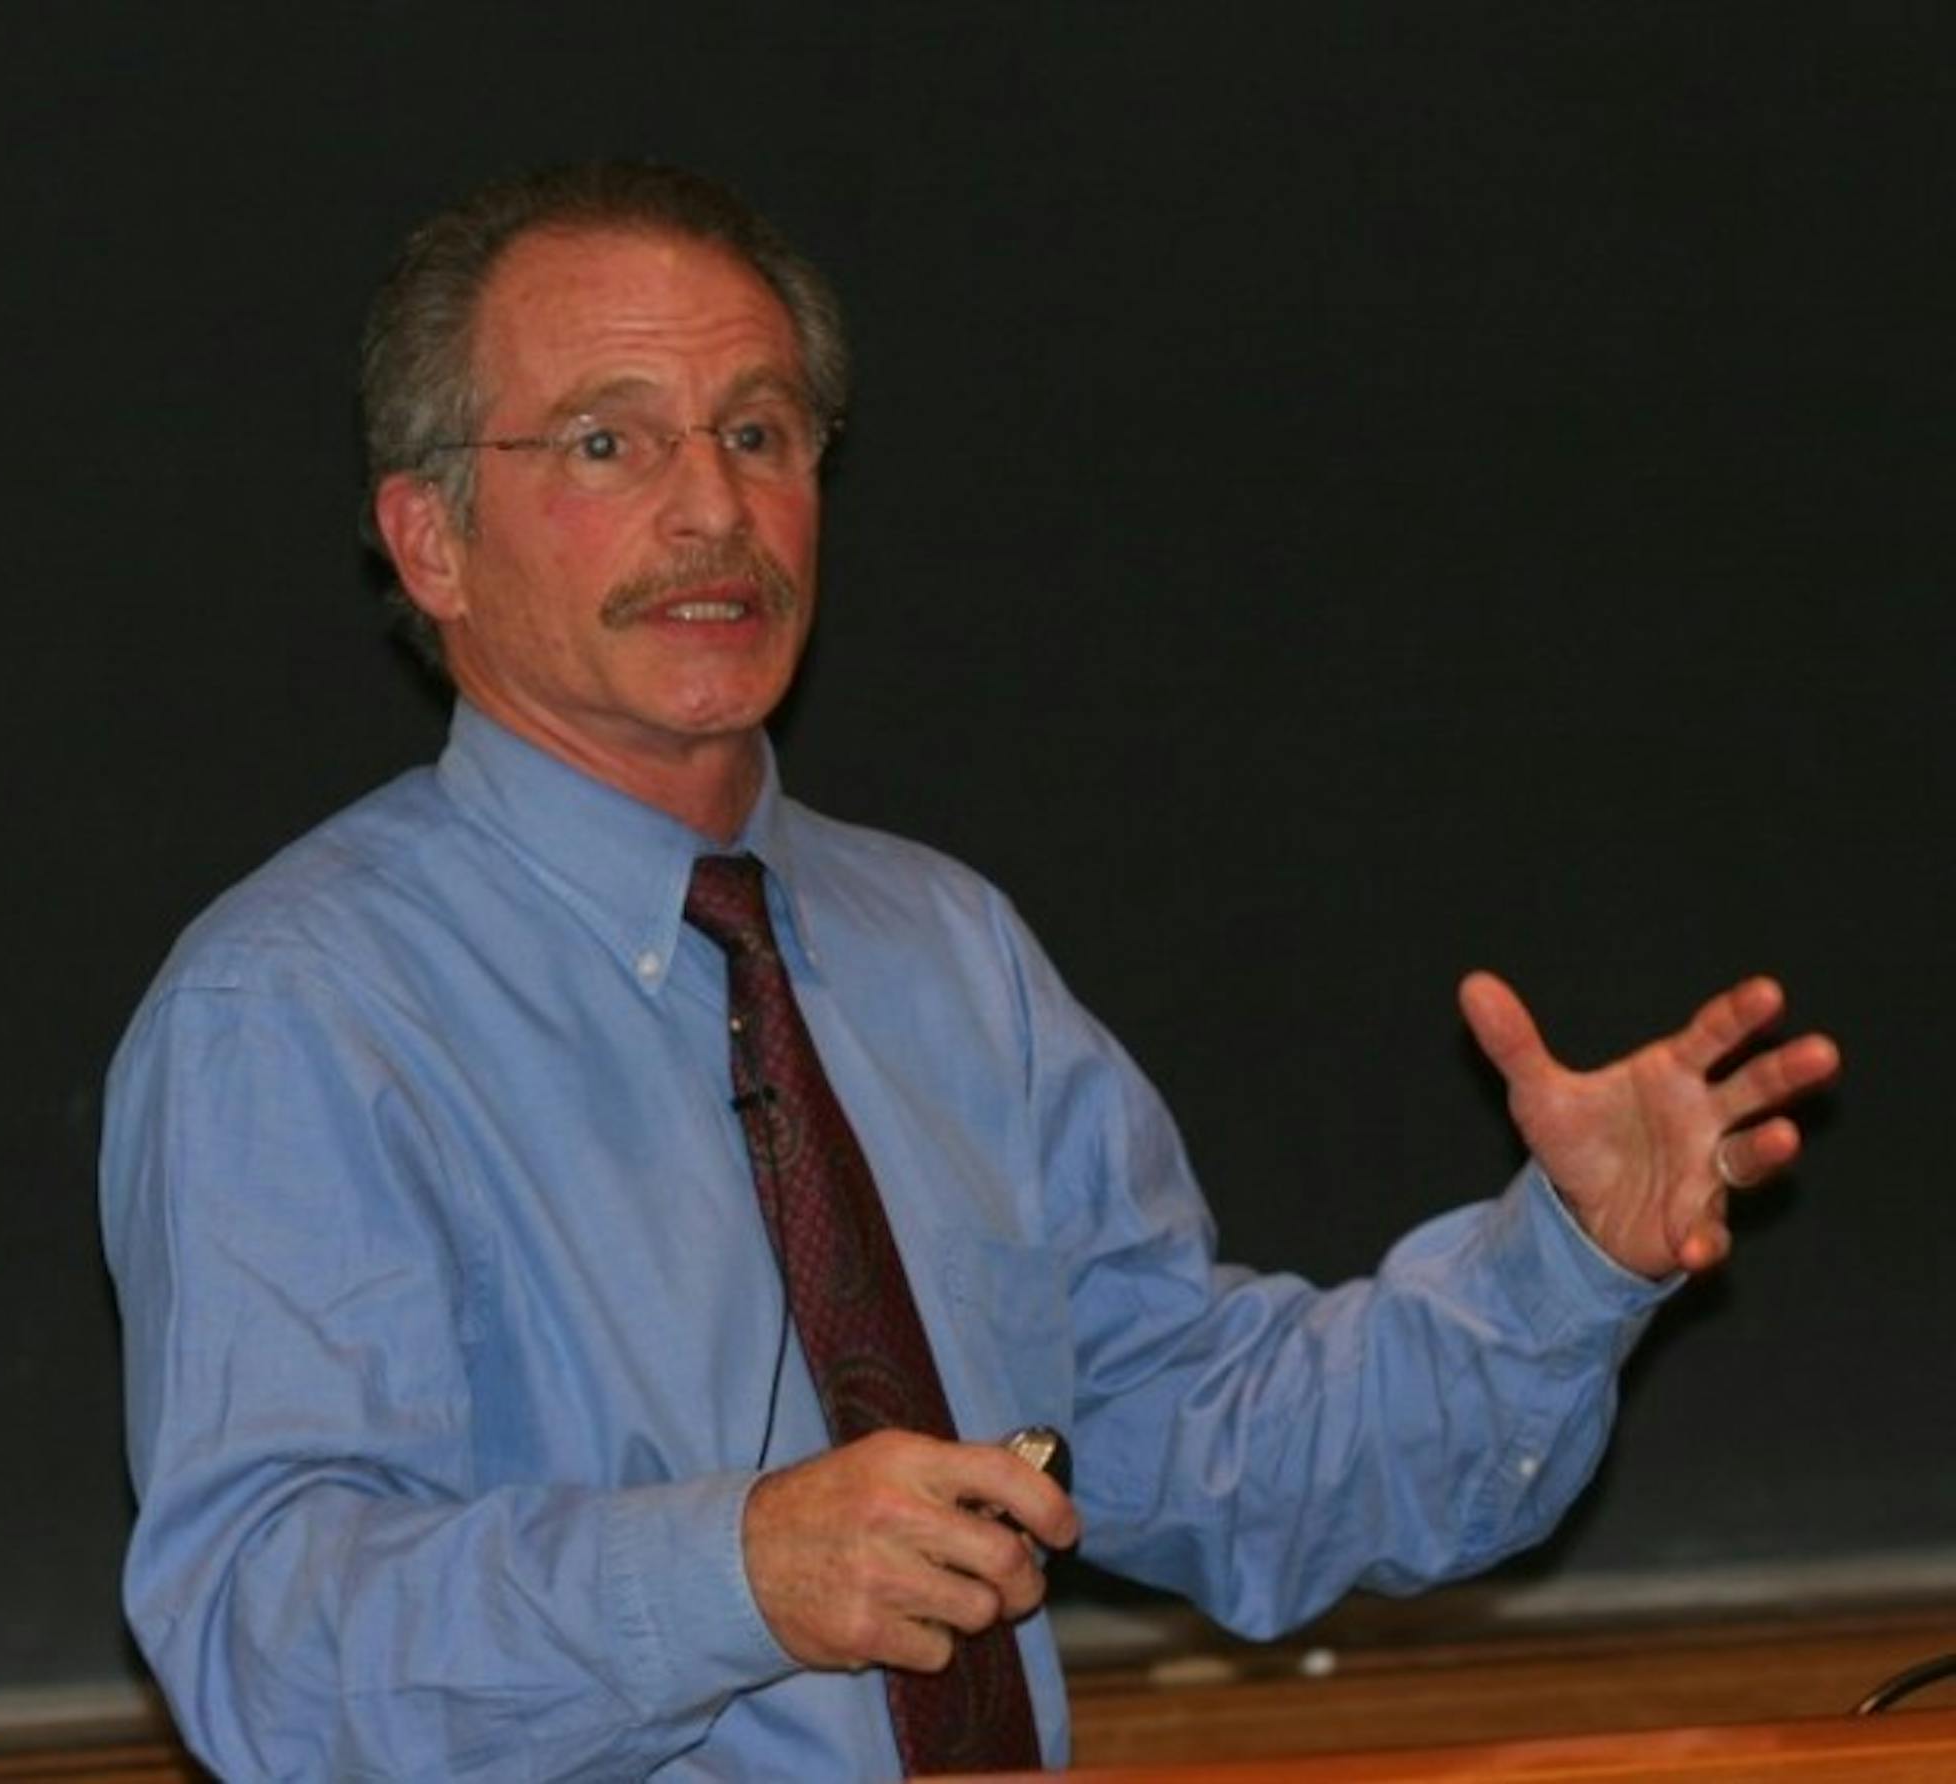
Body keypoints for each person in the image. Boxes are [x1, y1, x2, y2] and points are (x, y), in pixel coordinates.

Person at [100, 161, 1839, 1781]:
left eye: (762, 432)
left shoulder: (940, 950)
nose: (714, 506)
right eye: (609, 446)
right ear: (431, 542)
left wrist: (1569, 1267)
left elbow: (1213, 1451)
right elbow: (265, 1642)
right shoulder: (301, 1007)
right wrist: (736, 1575)